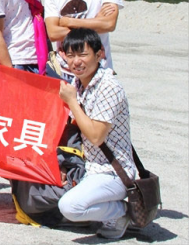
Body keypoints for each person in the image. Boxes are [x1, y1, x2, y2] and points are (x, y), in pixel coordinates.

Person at [57, 28, 136, 239]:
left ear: (99, 53)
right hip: (88, 166)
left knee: (70, 207)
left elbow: (95, 136)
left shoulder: (109, 87)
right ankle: (100, 207)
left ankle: (122, 212)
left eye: (83, 54)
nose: (76, 62)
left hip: (112, 172)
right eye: (71, 55)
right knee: (45, 191)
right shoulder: (78, 83)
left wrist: (72, 102)